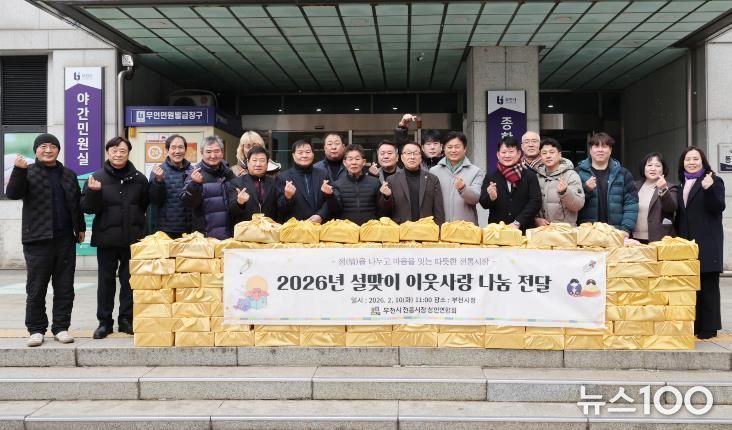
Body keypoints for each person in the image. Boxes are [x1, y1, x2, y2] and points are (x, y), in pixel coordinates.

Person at [6, 133, 85, 347]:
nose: (48, 150)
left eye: (52, 146)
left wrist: (80, 227)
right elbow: (12, 193)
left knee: (65, 287)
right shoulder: (27, 171)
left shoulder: (68, 174)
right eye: (43, 146)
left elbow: (76, 204)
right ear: (36, 150)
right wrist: (18, 171)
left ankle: (61, 327)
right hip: (37, 239)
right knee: (36, 288)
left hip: (65, 239)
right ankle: (36, 330)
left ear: (58, 150)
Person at [81, 136, 148, 339]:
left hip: (133, 240)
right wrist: (93, 193)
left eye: (122, 151)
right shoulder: (96, 177)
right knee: (106, 282)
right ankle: (104, 322)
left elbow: (144, 205)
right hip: (107, 239)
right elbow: (87, 208)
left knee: (130, 281)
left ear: (128, 153)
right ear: (107, 152)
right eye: (114, 151)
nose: (118, 154)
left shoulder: (139, 178)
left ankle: (126, 320)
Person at [676, 146, 725, 339]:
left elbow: (718, 206)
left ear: (703, 161)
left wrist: (709, 189)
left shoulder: (713, 180)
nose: (692, 162)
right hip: (688, 242)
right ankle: (696, 325)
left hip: (708, 241)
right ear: (683, 163)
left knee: (708, 285)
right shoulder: (683, 183)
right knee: (692, 284)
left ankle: (710, 328)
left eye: (696, 159)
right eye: (688, 159)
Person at [575, 132, 638, 236]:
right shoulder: (578, 173)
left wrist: (626, 229)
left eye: (604, 146)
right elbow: (572, 203)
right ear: (590, 150)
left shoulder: (623, 174)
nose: (600, 150)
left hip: (616, 232)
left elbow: (631, 204)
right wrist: (586, 189)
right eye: (596, 146)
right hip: (586, 233)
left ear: (610, 150)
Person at [479, 136, 542, 230]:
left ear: (519, 153)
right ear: (498, 155)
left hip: (524, 229)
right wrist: (491, 197)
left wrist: (518, 222)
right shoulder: (491, 176)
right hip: (498, 230)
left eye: (511, 152)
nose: (507, 155)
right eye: (504, 152)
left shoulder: (529, 176)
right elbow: (483, 204)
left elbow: (535, 202)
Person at [181, 135, 235, 240]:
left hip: (229, 237)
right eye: (208, 152)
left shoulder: (229, 173)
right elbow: (187, 203)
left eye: (216, 151)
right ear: (202, 153)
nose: (213, 156)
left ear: (222, 152)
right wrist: (194, 184)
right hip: (205, 237)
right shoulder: (194, 173)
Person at [323, 144, 389, 224]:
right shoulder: (337, 184)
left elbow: (382, 210)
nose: (354, 162)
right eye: (350, 159)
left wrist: (386, 197)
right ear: (345, 163)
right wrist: (329, 196)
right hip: (346, 228)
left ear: (363, 162)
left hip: (370, 228)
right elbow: (335, 212)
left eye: (357, 159)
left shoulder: (375, 182)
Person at [381, 141, 445, 224]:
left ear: (421, 157)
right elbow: (385, 212)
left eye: (416, 153)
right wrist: (386, 197)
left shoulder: (432, 179)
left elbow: (438, 209)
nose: (412, 157)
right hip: (401, 229)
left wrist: (439, 229)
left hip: (426, 229)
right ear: (402, 157)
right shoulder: (392, 180)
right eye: (408, 153)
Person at [429, 131, 484, 224]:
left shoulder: (475, 171)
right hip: (441, 226)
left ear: (465, 148)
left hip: (466, 227)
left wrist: (463, 189)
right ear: (443, 148)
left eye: (457, 147)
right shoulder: (434, 171)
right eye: (449, 147)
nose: (453, 150)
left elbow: (475, 199)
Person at [148, 134, 193, 238]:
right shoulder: (158, 171)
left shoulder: (192, 171)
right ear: (167, 151)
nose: (177, 151)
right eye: (173, 147)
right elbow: (154, 200)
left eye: (181, 147)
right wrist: (158, 181)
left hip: (189, 229)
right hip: (166, 230)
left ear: (185, 150)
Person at [534, 138, 584, 226]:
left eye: (552, 152)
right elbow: (530, 204)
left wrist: (565, 192)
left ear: (560, 155)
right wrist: (535, 219)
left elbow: (578, 205)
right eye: (544, 153)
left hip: (565, 230)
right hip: (542, 230)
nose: (548, 156)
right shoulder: (536, 177)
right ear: (540, 157)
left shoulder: (570, 175)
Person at [277, 140, 330, 223]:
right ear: (293, 155)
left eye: (308, 152)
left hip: (320, 225)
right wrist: (287, 197)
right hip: (295, 227)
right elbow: (280, 208)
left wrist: (321, 215)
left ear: (313, 154)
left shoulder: (323, 174)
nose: (304, 155)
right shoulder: (283, 177)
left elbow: (330, 201)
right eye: (300, 153)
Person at [632, 152, 678, 243]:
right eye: (649, 165)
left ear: (663, 169)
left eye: (657, 165)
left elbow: (671, 208)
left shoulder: (670, 187)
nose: (653, 168)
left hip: (658, 239)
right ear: (644, 168)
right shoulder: (634, 186)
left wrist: (663, 189)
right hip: (633, 239)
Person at [227, 146, 280, 223]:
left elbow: (281, 209)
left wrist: (288, 197)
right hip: (246, 229)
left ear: (267, 164)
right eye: (254, 160)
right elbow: (231, 211)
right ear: (248, 162)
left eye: (262, 160)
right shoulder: (236, 183)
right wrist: (239, 202)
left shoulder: (274, 183)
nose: (258, 164)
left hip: (269, 228)